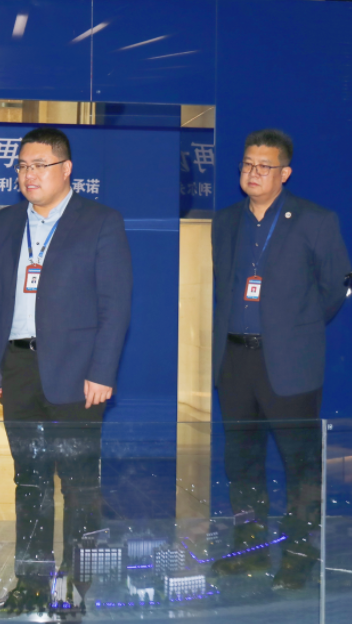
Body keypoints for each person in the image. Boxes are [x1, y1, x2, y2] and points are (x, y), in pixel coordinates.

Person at [0, 127, 133, 616]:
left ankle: (76, 589)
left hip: (78, 374)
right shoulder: (7, 221)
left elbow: (115, 303)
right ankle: (31, 585)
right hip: (19, 367)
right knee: (30, 483)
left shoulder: (100, 221)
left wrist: (102, 370)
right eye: (23, 166)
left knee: (80, 486)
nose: (29, 175)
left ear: (66, 170)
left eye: (39, 165)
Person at [212, 129, 350, 590]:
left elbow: (334, 288)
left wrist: (296, 328)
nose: (253, 173)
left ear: (284, 173)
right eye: (247, 164)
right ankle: (249, 547)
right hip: (234, 360)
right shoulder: (225, 221)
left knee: (300, 465)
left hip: (289, 363)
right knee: (242, 463)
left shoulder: (316, 220)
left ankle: (299, 554)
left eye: (264, 166)